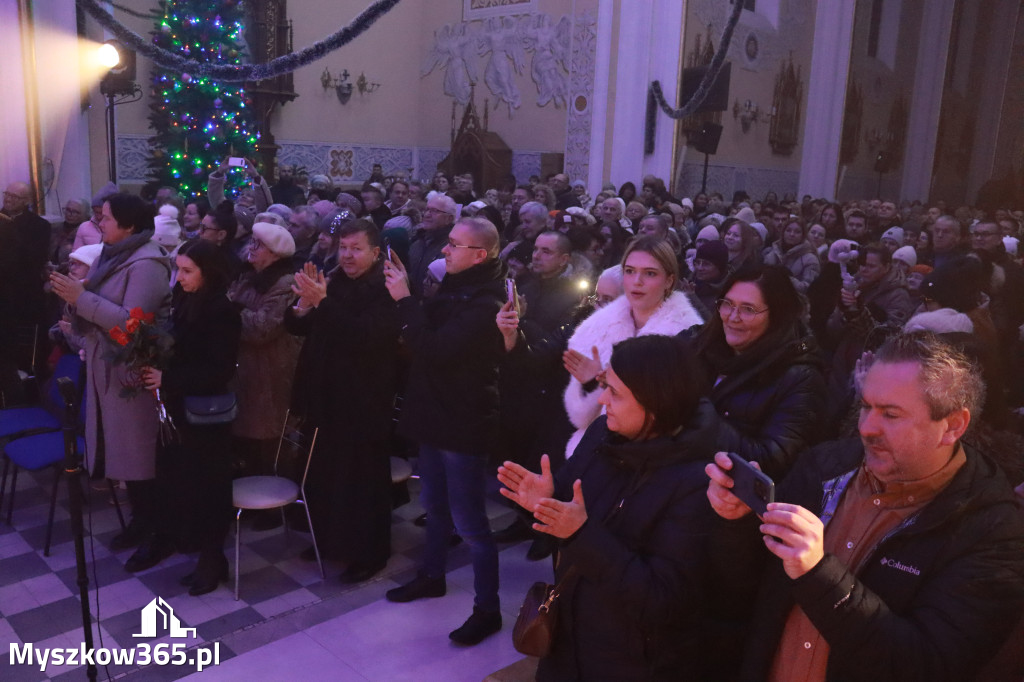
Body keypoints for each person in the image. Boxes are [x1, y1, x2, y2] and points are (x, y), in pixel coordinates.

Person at [705, 331, 1024, 681]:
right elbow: (748, 585)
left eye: (890, 414)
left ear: (952, 426)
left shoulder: (993, 532)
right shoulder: (824, 466)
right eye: (866, 406)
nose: (867, 427)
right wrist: (735, 521)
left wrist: (817, 574)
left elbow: (926, 665)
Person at [498, 335, 721, 681]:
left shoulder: (695, 481)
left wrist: (581, 534)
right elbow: (570, 504)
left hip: (631, 662)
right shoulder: (604, 432)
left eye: (615, 393)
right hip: (568, 639)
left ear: (656, 403)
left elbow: (664, 599)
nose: (602, 400)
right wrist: (544, 501)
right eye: (605, 386)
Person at [382, 216, 506, 646]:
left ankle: (487, 608)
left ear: (481, 254)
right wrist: (407, 295)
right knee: (434, 504)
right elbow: (425, 329)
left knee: (471, 523)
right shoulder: (459, 285)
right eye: (447, 244)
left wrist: (404, 300)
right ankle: (432, 575)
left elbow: (434, 347)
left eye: (454, 245)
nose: (444, 251)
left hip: (462, 419)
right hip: (434, 412)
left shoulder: (486, 303)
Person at [49, 193, 173, 570]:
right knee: (122, 452)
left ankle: (159, 534)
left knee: (140, 456)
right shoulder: (111, 254)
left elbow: (132, 327)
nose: (99, 224)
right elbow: (96, 307)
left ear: (130, 226)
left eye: (106, 218)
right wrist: (73, 298)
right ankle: (141, 522)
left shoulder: (147, 263)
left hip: (133, 372)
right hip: (105, 368)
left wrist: (81, 297)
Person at [287, 219, 401, 583]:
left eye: (356, 249)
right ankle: (330, 540)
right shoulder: (334, 280)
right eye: (344, 248)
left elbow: (365, 337)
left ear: (374, 252)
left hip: (364, 401)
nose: (347, 255)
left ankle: (369, 553)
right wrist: (303, 306)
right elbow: (301, 327)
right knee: (326, 475)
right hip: (326, 396)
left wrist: (322, 302)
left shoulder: (387, 289)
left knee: (362, 481)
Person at [140, 239, 241, 595]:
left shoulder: (221, 309)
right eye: (178, 269)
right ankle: (198, 551)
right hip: (181, 410)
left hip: (207, 417)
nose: (179, 278)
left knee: (209, 488)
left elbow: (219, 369)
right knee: (184, 484)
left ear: (207, 272)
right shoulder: (186, 299)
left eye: (187, 271)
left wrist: (169, 378)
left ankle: (213, 559)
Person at [562, 236, 703, 457]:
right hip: (590, 449)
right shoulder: (599, 325)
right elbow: (578, 414)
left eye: (650, 273)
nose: (637, 281)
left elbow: (672, 414)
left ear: (669, 281)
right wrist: (593, 383)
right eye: (629, 271)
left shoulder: (684, 336)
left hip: (644, 457)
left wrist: (608, 381)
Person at [687, 266, 825, 478]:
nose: (733, 317)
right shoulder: (700, 342)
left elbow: (772, 461)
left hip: (728, 499)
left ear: (777, 315)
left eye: (748, 309)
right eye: (727, 304)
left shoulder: (800, 378)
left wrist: (700, 414)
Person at [227, 222, 301, 487]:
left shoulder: (286, 284)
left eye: (258, 245)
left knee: (270, 440)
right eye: (252, 242)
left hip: (270, 374)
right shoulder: (247, 277)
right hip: (245, 372)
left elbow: (262, 328)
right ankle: (251, 495)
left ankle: (276, 502)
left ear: (275, 253)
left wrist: (232, 312)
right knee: (247, 441)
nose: (251, 249)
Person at [762, 215, 820, 292]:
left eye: (797, 232)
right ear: (783, 232)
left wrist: (786, 277)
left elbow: (809, 288)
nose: (792, 234)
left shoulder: (810, 260)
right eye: (788, 230)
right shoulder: (772, 253)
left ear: (803, 235)